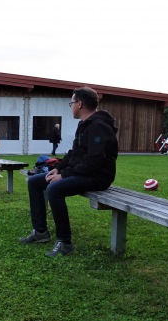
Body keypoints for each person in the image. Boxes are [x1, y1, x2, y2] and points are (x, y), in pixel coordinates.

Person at [20, 87, 118, 257]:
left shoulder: (99, 126)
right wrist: (57, 168)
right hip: (83, 172)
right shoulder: (84, 124)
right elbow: (74, 154)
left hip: (98, 176)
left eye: (71, 102)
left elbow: (95, 161)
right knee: (35, 182)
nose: (70, 105)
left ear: (80, 104)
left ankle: (65, 243)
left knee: (54, 189)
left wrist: (64, 175)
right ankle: (40, 232)